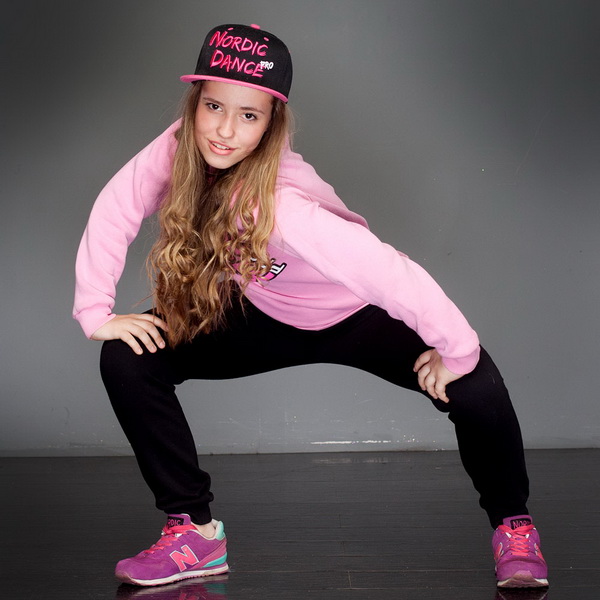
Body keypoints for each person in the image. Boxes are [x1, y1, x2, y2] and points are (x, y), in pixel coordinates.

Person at [73, 23, 548, 589]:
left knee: (475, 383)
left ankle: (514, 527)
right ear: (194, 103)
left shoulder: (285, 207)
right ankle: (194, 534)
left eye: (248, 115)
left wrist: (458, 350)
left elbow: (390, 273)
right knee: (129, 358)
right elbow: (118, 204)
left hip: (353, 315)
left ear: (271, 121)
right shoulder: (178, 148)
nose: (224, 130)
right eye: (213, 106)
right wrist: (96, 310)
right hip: (265, 312)